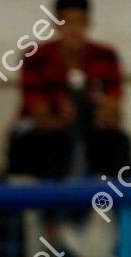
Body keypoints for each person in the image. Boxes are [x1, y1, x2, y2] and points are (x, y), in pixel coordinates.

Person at [8, 0, 130, 181]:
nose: (73, 30)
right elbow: (39, 112)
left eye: (79, 22)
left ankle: (114, 195)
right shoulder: (36, 57)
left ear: (88, 24)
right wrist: (64, 118)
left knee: (116, 141)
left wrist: (98, 114)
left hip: (92, 128)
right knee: (50, 144)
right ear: (56, 25)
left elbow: (112, 107)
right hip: (48, 131)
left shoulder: (105, 55)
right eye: (67, 23)